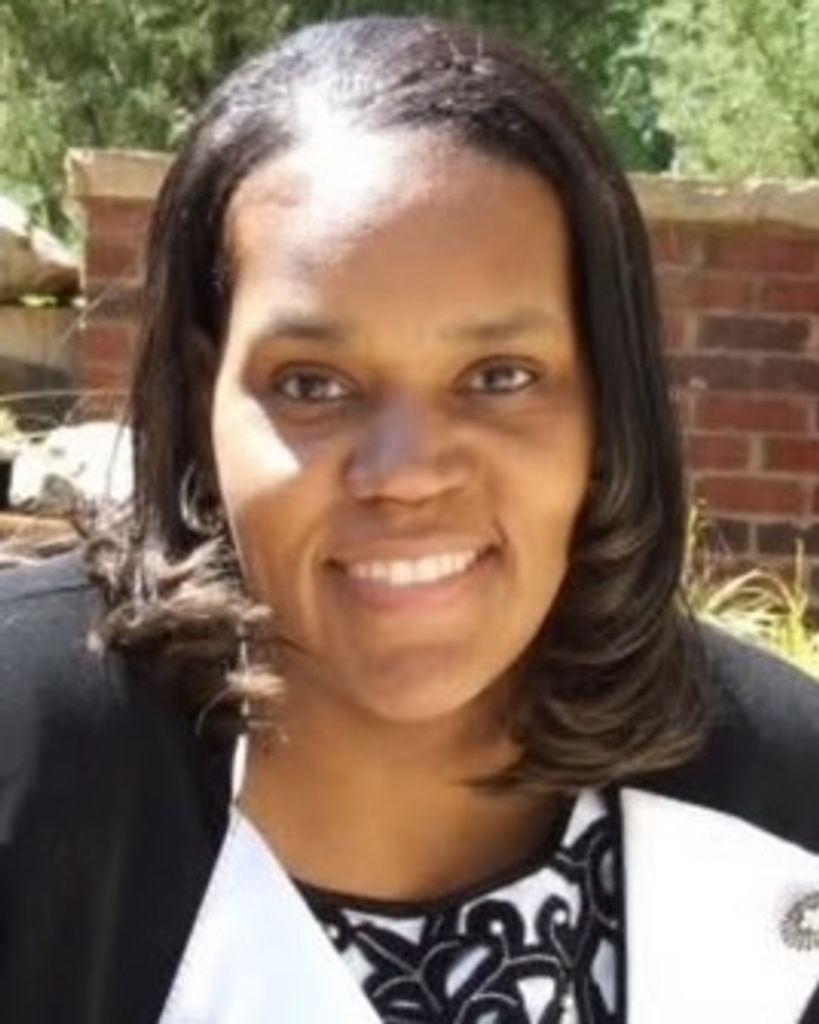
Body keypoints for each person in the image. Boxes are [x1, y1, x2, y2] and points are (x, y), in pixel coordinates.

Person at [1, 15, 818, 1024]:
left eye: (500, 376)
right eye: (311, 383)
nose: (406, 475)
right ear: (206, 398)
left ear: (607, 406)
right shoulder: (29, 759)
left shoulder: (785, 798)